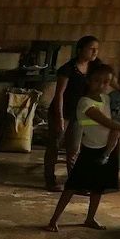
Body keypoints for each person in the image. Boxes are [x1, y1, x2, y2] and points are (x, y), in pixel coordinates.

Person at [45, 63, 120, 231]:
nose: (102, 85)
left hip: (106, 150)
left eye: (106, 82)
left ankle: (90, 218)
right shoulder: (84, 102)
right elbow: (104, 121)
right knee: (71, 187)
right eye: (97, 80)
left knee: (98, 188)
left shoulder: (106, 99)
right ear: (88, 81)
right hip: (90, 150)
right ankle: (53, 220)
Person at [44, 35, 100, 192]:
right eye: (91, 48)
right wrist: (60, 118)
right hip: (62, 112)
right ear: (80, 49)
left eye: (97, 49)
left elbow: (110, 79)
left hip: (79, 114)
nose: (95, 52)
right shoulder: (68, 69)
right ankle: (50, 180)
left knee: (74, 149)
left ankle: (75, 182)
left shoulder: (95, 66)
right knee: (54, 146)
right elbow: (59, 94)